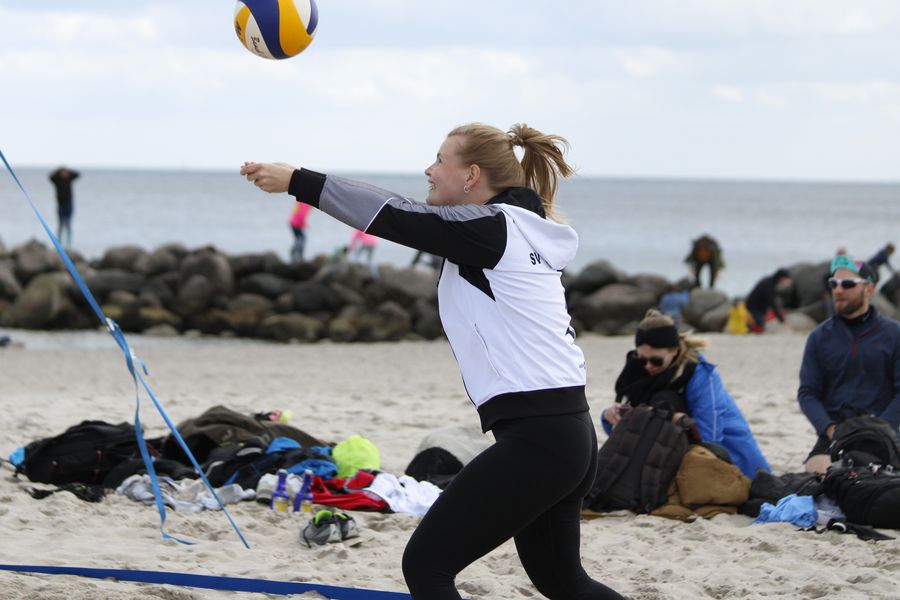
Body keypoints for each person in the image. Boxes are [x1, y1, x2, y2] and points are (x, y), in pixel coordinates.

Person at [241, 123, 623, 600]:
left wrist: (298, 181)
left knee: (426, 567)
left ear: (472, 176)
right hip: (568, 434)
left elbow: (395, 215)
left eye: (441, 160)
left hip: (541, 440)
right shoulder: (518, 229)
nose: (428, 169)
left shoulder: (492, 229)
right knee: (563, 581)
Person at [600, 310, 770, 480]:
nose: (648, 366)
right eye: (642, 359)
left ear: (674, 350)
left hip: (734, 458)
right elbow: (627, 430)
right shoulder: (638, 370)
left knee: (664, 400)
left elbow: (710, 438)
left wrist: (660, 416)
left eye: (656, 361)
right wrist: (609, 416)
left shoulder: (700, 374)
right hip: (673, 450)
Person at [798, 255, 900, 474]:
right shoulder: (819, 337)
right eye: (833, 284)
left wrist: (881, 430)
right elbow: (807, 393)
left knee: (878, 480)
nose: (838, 290)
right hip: (835, 435)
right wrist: (830, 429)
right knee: (820, 471)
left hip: (884, 434)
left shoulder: (894, 334)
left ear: (869, 289)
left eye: (847, 284)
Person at [745, 267, 792, 332]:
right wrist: (781, 320)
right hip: (753, 308)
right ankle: (747, 327)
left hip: (759, 307)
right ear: (781, 278)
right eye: (786, 279)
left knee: (763, 321)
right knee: (760, 324)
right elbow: (772, 303)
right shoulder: (769, 285)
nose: (787, 282)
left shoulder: (770, 282)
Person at [49, 166, 80, 248]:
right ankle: (58, 243)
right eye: (63, 172)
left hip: (69, 206)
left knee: (68, 225)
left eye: (65, 172)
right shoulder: (57, 180)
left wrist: (68, 170)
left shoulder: (69, 179)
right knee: (61, 225)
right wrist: (59, 170)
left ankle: (69, 244)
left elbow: (77, 174)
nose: (64, 174)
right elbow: (50, 177)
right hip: (60, 206)